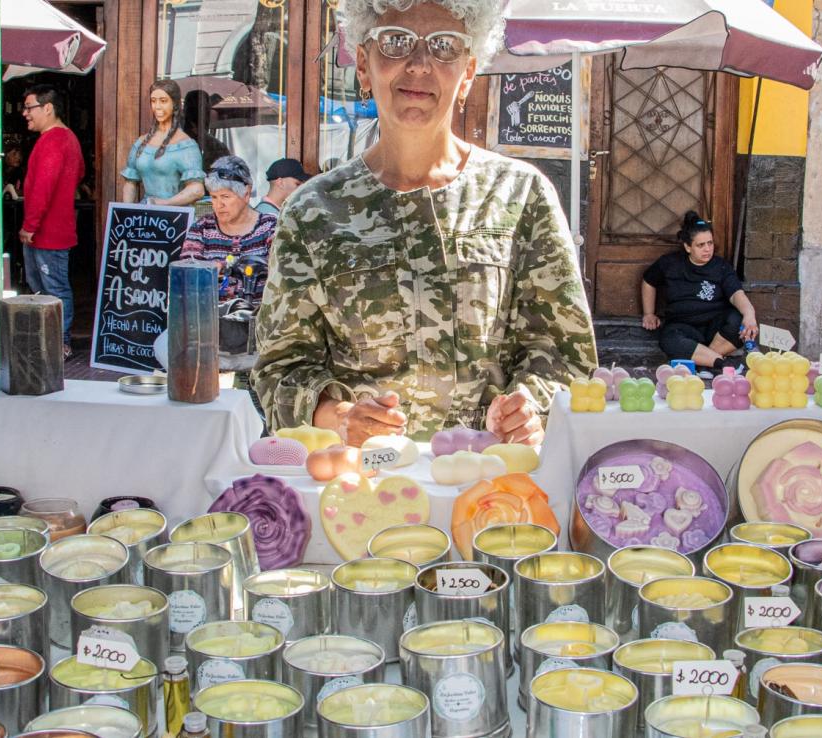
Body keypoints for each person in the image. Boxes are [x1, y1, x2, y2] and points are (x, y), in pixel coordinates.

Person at [253, 0, 597, 447]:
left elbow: (564, 353)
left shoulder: (521, 196)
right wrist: (338, 415)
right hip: (363, 492)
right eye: (395, 42)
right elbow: (279, 369)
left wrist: (531, 407)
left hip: (494, 485)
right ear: (363, 64)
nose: (418, 65)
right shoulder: (312, 211)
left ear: (468, 72)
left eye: (444, 46)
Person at [641, 211, 758, 371]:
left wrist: (749, 314)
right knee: (669, 340)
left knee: (737, 319)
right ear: (687, 247)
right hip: (682, 326)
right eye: (700, 245)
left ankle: (702, 364)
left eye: (710, 243)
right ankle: (721, 364)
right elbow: (648, 281)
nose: (707, 249)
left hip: (715, 329)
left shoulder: (721, 267)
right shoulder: (670, 264)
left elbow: (736, 294)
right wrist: (649, 313)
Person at [19, 83, 85, 359]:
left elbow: (42, 187)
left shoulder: (53, 140)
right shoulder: (67, 138)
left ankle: (60, 343)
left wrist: (29, 225)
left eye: (29, 107)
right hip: (54, 228)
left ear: (48, 108)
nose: (24, 113)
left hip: (47, 232)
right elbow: (79, 173)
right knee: (49, 289)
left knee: (52, 290)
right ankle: (53, 341)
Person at [180, 155, 277, 306]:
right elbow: (187, 276)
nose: (219, 205)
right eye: (214, 197)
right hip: (211, 321)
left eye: (225, 196)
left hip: (260, 322)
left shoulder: (270, 227)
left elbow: (281, 272)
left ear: (246, 194)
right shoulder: (202, 229)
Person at [121, 80, 205, 206]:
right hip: (145, 214)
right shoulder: (141, 142)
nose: (157, 106)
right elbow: (130, 182)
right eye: (153, 101)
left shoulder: (186, 145)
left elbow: (197, 190)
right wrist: (127, 211)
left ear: (175, 104)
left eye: (163, 101)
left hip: (174, 215)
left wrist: (164, 203)